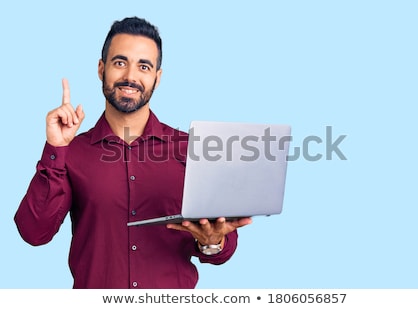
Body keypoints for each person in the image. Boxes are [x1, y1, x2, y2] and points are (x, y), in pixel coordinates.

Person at [14, 16, 252, 289]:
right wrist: (56, 148)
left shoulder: (193, 149)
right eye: (119, 62)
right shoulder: (72, 152)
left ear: (157, 78)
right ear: (101, 68)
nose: (130, 76)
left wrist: (212, 242)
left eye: (144, 66)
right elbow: (34, 233)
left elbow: (223, 247)